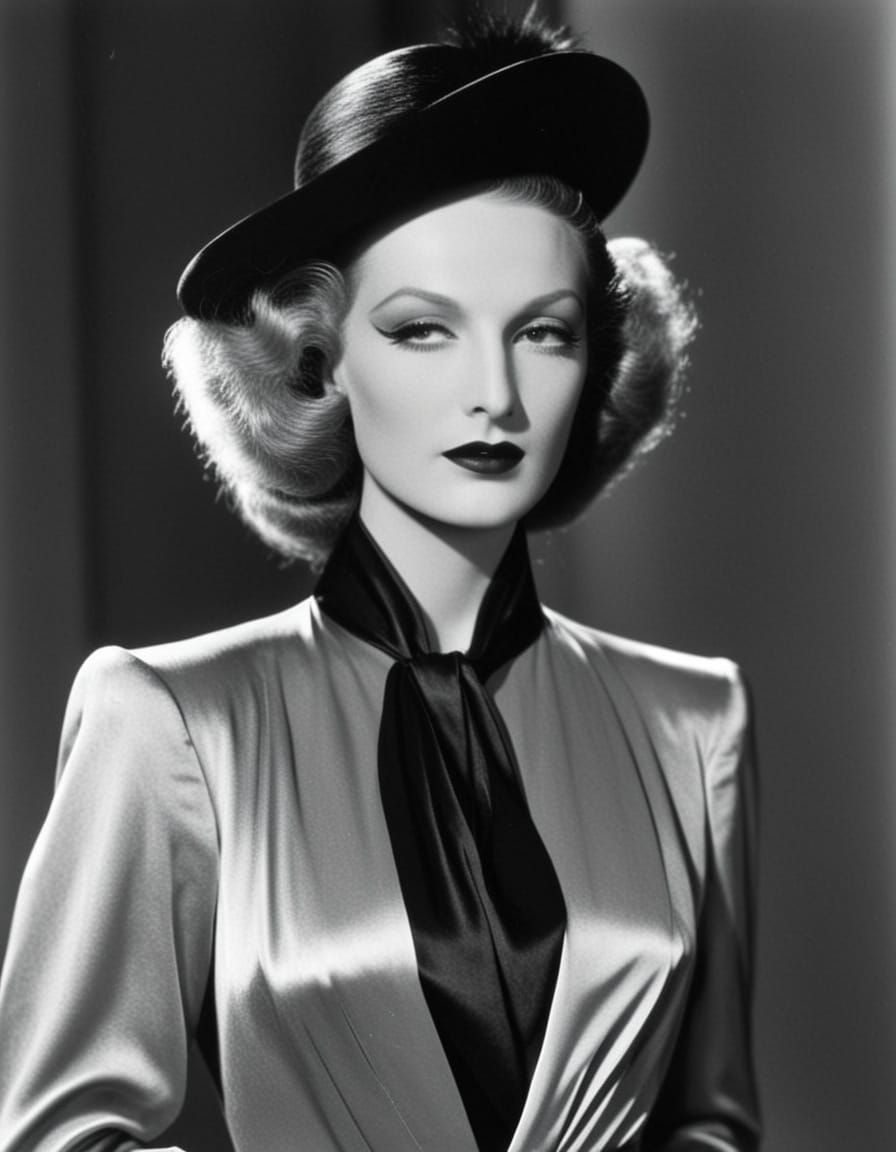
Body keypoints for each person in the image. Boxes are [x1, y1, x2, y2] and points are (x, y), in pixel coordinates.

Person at [0, 9, 760, 1152]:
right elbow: (64, 1134)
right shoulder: (170, 722)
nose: (494, 392)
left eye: (543, 333)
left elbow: (712, 1125)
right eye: (422, 331)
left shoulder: (693, 727)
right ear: (320, 363)